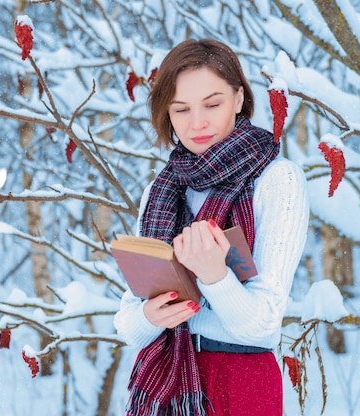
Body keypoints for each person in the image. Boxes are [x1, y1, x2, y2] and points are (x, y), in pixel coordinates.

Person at [113, 39, 309, 416]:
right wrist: (150, 317)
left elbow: (263, 324)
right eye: (181, 109)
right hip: (167, 381)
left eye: (213, 104)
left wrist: (215, 276)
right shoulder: (161, 189)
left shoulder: (276, 180)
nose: (197, 122)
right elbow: (128, 323)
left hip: (242, 379)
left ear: (239, 99)